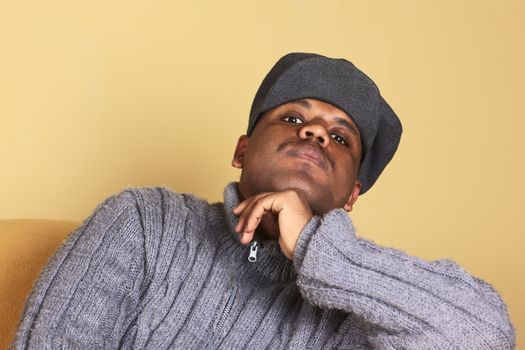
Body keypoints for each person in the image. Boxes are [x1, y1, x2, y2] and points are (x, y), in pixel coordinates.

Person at [12, 53, 515, 349]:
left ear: (351, 196)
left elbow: (487, 334)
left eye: (341, 139)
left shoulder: (358, 316)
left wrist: (328, 256)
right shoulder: (145, 223)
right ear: (242, 149)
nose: (317, 132)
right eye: (294, 119)